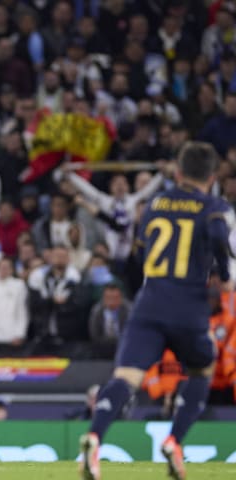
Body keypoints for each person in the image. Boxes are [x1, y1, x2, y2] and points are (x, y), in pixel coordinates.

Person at [80, 142, 232, 480]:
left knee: (126, 378)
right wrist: (223, 272)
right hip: (188, 305)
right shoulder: (213, 207)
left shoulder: (154, 205)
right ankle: (174, 441)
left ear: (178, 173)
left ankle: (95, 436)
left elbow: (139, 249)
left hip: (149, 302)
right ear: (212, 175)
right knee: (202, 369)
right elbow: (221, 236)